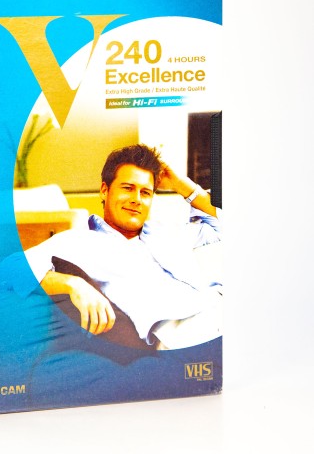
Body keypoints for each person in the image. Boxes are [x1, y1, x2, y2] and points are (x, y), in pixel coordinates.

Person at [24, 144, 222, 350]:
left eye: (145, 192)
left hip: (218, 309)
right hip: (183, 332)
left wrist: (180, 184)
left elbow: (225, 225)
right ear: (104, 191)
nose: (136, 199)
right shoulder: (78, 241)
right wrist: (73, 285)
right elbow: (11, 269)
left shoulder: (167, 232)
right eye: (128, 188)